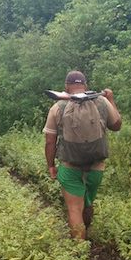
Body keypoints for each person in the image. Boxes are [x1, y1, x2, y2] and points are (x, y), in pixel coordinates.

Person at [43, 70, 122, 240]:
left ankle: (80, 253)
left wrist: (51, 166)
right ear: (85, 85)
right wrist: (111, 100)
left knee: (74, 209)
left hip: (70, 167)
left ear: (66, 86)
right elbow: (116, 126)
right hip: (96, 167)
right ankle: (88, 236)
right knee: (87, 202)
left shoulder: (57, 107)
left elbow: (50, 141)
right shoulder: (101, 101)